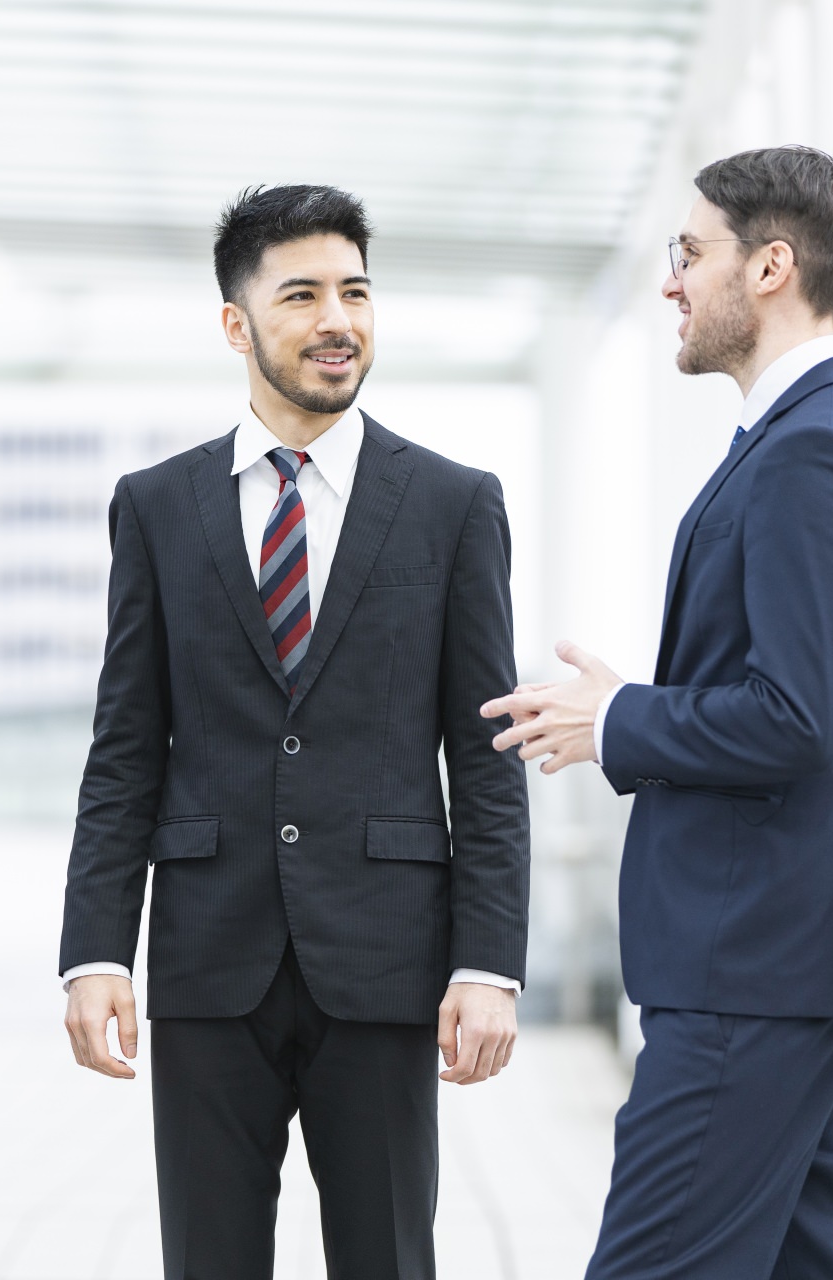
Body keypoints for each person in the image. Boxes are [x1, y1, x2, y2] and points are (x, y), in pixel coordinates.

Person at [59, 184, 531, 1280]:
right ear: (237, 324)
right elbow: (125, 743)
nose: (339, 320)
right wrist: (93, 947)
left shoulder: (455, 503)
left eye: (357, 293)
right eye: (305, 294)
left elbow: (486, 755)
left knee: (388, 1258)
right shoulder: (157, 504)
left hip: (386, 955)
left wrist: (490, 962)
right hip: (207, 960)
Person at [482, 146, 833, 1278]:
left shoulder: (817, 452)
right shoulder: (813, 443)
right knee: (820, 1259)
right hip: (785, 956)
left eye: (690, 254)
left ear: (771, 265)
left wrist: (621, 716)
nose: (671, 283)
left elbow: (797, 717)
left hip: (755, 964)